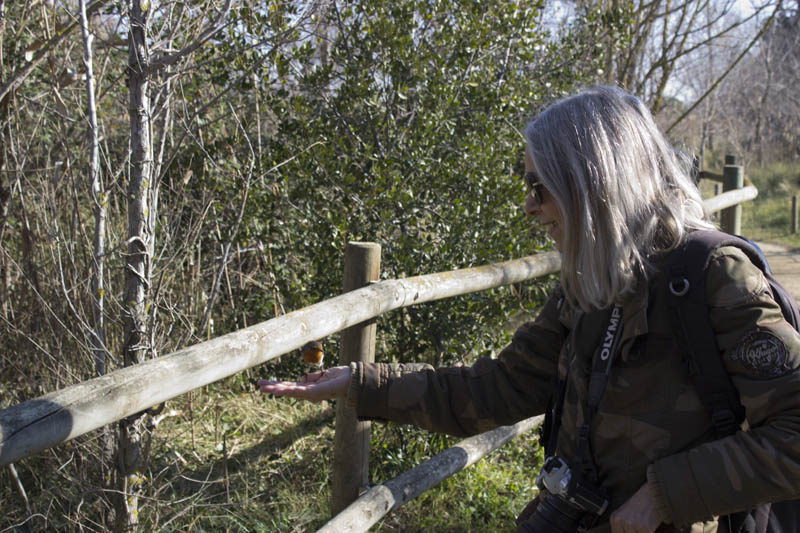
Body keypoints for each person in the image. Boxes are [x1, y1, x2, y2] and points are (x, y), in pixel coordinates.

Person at [258, 86, 800, 532]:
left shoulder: (712, 277)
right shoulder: (592, 279)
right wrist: (362, 382)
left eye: (540, 187)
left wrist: (664, 497)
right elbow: (495, 389)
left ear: (593, 182)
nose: (528, 206)